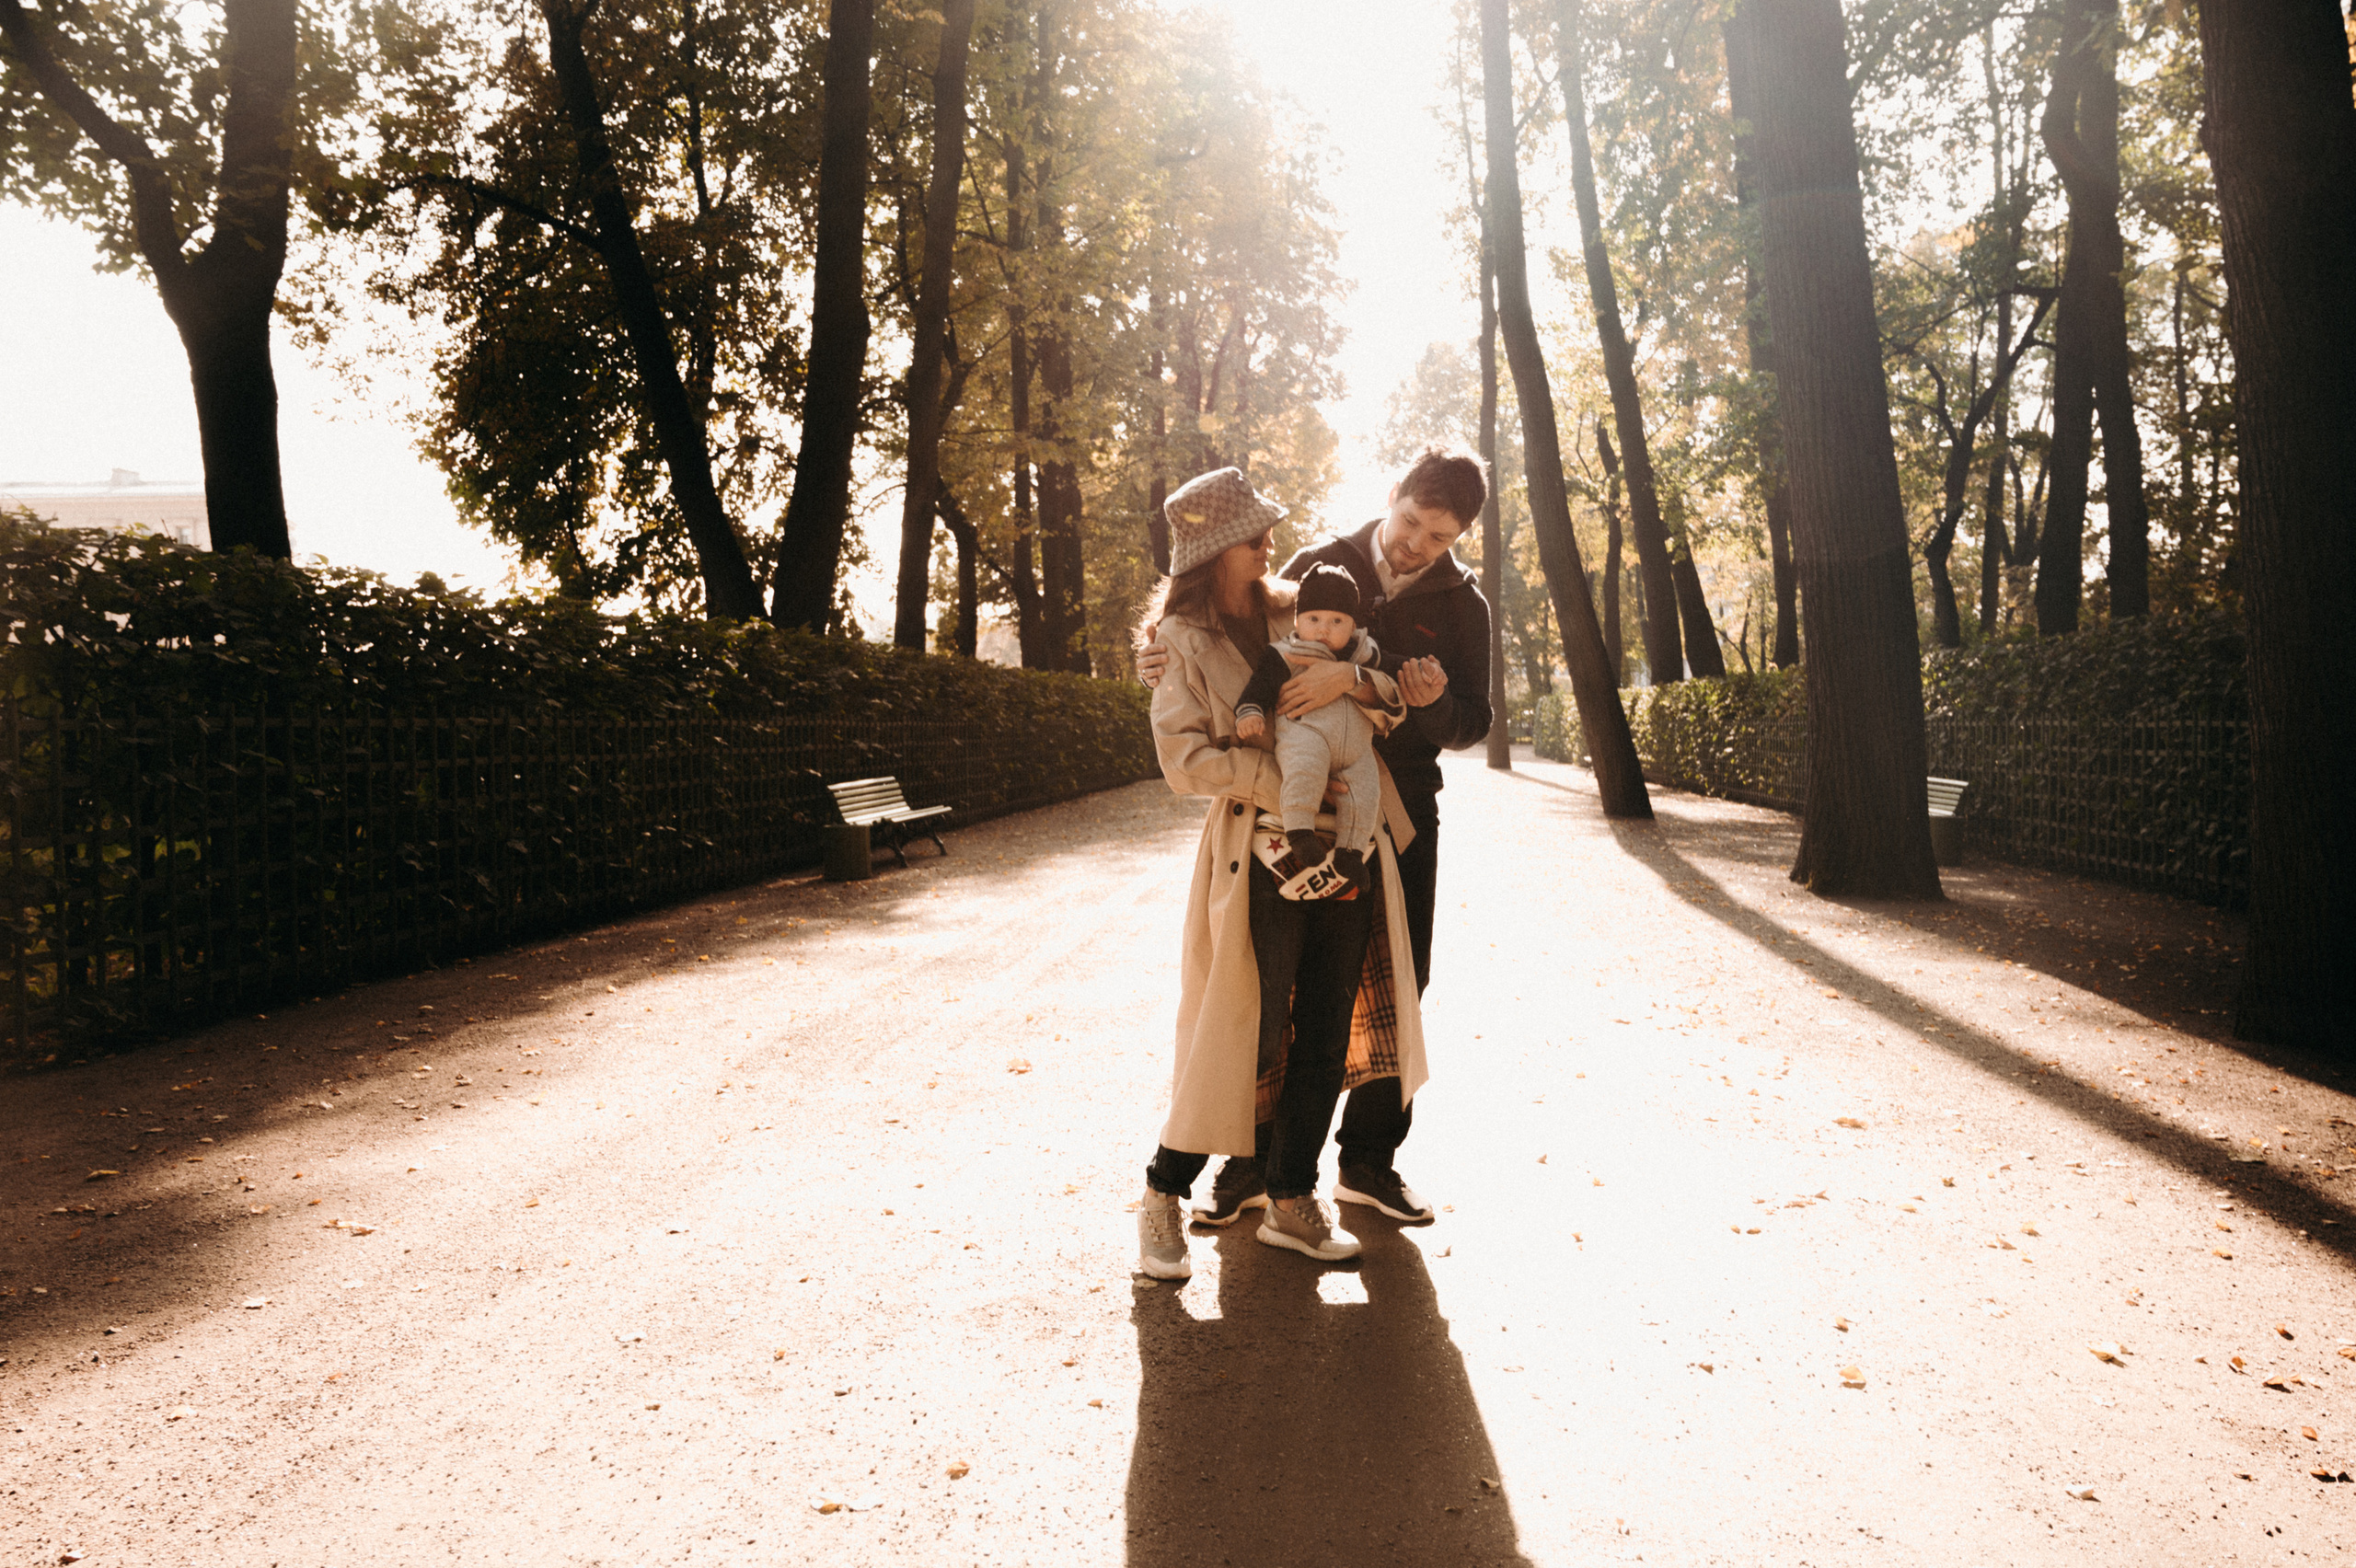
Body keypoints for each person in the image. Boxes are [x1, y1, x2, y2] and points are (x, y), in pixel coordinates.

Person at [1139, 446, 1490, 1228]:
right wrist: (1156, 657)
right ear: (1391, 495)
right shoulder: (1315, 567)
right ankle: (1251, 1167)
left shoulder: (1464, 604)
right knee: (1272, 987)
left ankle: (1365, 1162)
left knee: (1393, 980)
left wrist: (1371, 684)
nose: (1416, 545)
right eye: (1409, 523)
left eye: (1438, 537)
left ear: (1457, 536)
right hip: (1286, 815)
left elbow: (1469, 717)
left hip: (1396, 811)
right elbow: (1236, 645)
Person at [1232, 561, 1383, 891]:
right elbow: (1260, 686)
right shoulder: (1287, 654)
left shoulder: (1364, 655)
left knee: (1366, 789)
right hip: (1305, 735)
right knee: (1305, 770)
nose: (1323, 629)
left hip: (1356, 748)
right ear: (1298, 620)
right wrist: (1250, 712)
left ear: (1353, 625)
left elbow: (1386, 683)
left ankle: (1350, 851)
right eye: (1313, 619)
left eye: (1337, 621)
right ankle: (1299, 831)